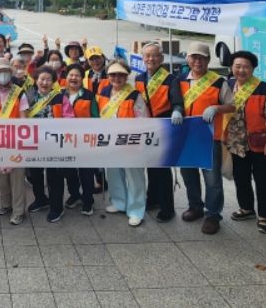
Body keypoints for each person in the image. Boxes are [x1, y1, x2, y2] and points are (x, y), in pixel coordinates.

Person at [179, 41, 235, 235]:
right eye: (194, 57)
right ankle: (195, 206)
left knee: (212, 180)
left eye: (202, 58)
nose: (198, 61)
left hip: (210, 138)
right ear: (188, 59)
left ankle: (213, 215)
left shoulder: (219, 82)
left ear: (209, 60)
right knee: (189, 175)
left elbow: (232, 105)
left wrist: (216, 108)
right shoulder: (180, 80)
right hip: (186, 138)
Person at [225, 51, 266, 234]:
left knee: (264, 179)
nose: (241, 70)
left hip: (260, 141)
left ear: (253, 68)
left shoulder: (264, 88)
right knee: (241, 177)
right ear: (231, 67)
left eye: (246, 66)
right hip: (236, 142)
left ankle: (265, 215)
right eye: (237, 66)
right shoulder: (228, 85)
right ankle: (246, 208)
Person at [134, 42, 184, 222]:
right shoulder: (139, 78)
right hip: (146, 128)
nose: (151, 59)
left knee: (162, 168)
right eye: (147, 55)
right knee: (151, 165)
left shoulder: (170, 79)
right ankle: (153, 198)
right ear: (142, 58)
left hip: (163, 126)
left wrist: (177, 110)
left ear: (161, 58)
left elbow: (177, 102)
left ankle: (167, 207)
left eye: (154, 55)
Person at [99, 60, 149, 227]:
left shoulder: (134, 95)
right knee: (113, 173)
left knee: (134, 177)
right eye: (113, 74)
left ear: (127, 76)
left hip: (130, 142)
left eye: (121, 75)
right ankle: (119, 202)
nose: (117, 78)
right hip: (110, 141)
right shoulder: (104, 92)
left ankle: (136, 210)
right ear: (108, 76)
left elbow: (142, 119)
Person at [0, 58, 30, 225]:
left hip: (16, 141)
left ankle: (18, 211)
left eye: (5, 71)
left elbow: (24, 120)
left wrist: (19, 142)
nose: (2, 75)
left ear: (10, 73)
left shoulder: (20, 93)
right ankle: (5, 204)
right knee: (1, 177)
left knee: (17, 179)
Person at [26, 66, 74, 222]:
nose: (44, 82)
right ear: (36, 80)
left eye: (48, 79)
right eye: (42, 79)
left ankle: (56, 207)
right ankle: (40, 199)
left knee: (54, 176)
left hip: (54, 143)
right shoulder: (29, 96)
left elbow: (69, 119)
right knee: (35, 174)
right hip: (34, 142)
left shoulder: (60, 98)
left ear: (53, 82)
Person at [64, 63, 99, 215]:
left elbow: (96, 117)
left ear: (82, 78)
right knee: (70, 171)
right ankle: (74, 195)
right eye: (71, 75)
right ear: (66, 77)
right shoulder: (59, 94)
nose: (74, 78)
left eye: (77, 75)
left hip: (85, 140)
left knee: (86, 172)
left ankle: (88, 200)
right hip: (66, 141)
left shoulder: (89, 95)